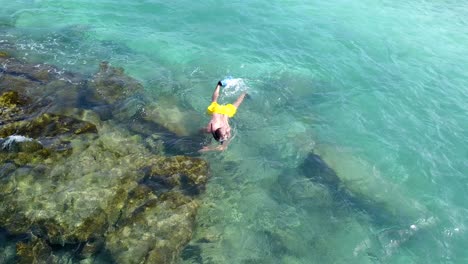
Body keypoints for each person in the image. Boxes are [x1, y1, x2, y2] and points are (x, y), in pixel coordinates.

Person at [199, 78, 247, 152]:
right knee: (237, 103)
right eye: (224, 135)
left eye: (223, 135)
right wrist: (209, 148)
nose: (225, 135)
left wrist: (208, 148)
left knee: (214, 100)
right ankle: (244, 93)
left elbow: (201, 130)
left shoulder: (211, 128)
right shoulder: (227, 132)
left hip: (216, 111)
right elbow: (223, 147)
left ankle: (219, 84)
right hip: (226, 112)